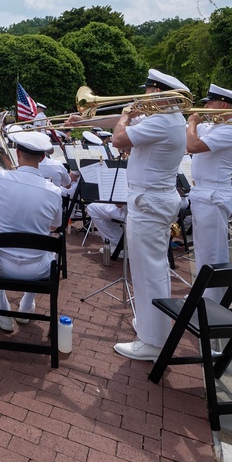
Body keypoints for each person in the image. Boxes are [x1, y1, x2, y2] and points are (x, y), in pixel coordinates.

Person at [69, 69, 189, 360]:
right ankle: (151, 324)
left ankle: (153, 340)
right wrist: (86, 120)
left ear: (158, 92)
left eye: (147, 91)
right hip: (152, 200)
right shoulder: (165, 118)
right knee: (150, 269)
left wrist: (125, 114)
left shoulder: (163, 121)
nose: (143, 96)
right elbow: (120, 123)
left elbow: (119, 138)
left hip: (149, 202)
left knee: (149, 273)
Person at [0, 131, 64, 331]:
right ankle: (26, 307)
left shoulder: (2, 179)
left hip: (2, 264)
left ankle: (2, 309)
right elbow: (54, 227)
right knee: (49, 250)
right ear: (43, 157)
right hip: (38, 270)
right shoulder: (55, 192)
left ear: (17, 152)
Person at [186, 84, 232, 304]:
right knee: (202, 251)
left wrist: (192, 123)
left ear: (222, 105)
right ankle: (202, 296)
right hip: (204, 192)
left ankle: (213, 303)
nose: (205, 106)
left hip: (213, 195)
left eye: (209, 102)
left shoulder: (229, 131)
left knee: (213, 253)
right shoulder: (213, 127)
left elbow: (192, 145)